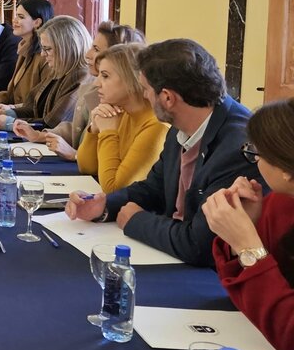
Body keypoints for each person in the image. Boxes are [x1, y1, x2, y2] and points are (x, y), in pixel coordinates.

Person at [65, 39, 260, 267]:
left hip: (205, 276)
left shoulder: (236, 144)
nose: (144, 96)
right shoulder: (182, 125)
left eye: (146, 89)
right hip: (171, 255)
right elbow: (154, 188)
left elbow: (199, 244)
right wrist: (104, 206)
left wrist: (136, 221)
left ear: (167, 98)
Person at [203, 100, 294, 350]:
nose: (254, 162)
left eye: (257, 153)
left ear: (286, 169)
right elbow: (244, 298)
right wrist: (242, 231)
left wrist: (248, 246)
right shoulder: (279, 202)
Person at [15, 22, 145, 160]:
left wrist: (75, 155)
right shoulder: (93, 87)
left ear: (118, 57)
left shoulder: (126, 105)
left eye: (96, 49)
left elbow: (110, 159)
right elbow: (77, 127)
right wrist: (40, 135)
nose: (87, 54)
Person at [75, 43, 167, 193]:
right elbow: (86, 167)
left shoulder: (156, 127)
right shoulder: (120, 113)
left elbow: (114, 189)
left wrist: (108, 133)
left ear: (132, 79)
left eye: (105, 76)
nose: (97, 83)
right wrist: (94, 128)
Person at [0, 15, 91, 131]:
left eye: (48, 49)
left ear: (67, 48)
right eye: (42, 49)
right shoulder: (58, 70)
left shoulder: (80, 77)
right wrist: (10, 113)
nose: (43, 55)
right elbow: (33, 107)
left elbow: (52, 124)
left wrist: (10, 123)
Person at [0, 0, 52, 107]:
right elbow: (14, 93)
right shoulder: (23, 48)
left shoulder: (45, 56)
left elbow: (40, 103)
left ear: (37, 22)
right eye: (16, 15)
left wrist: (11, 109)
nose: (14, 20)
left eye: (21, 17)